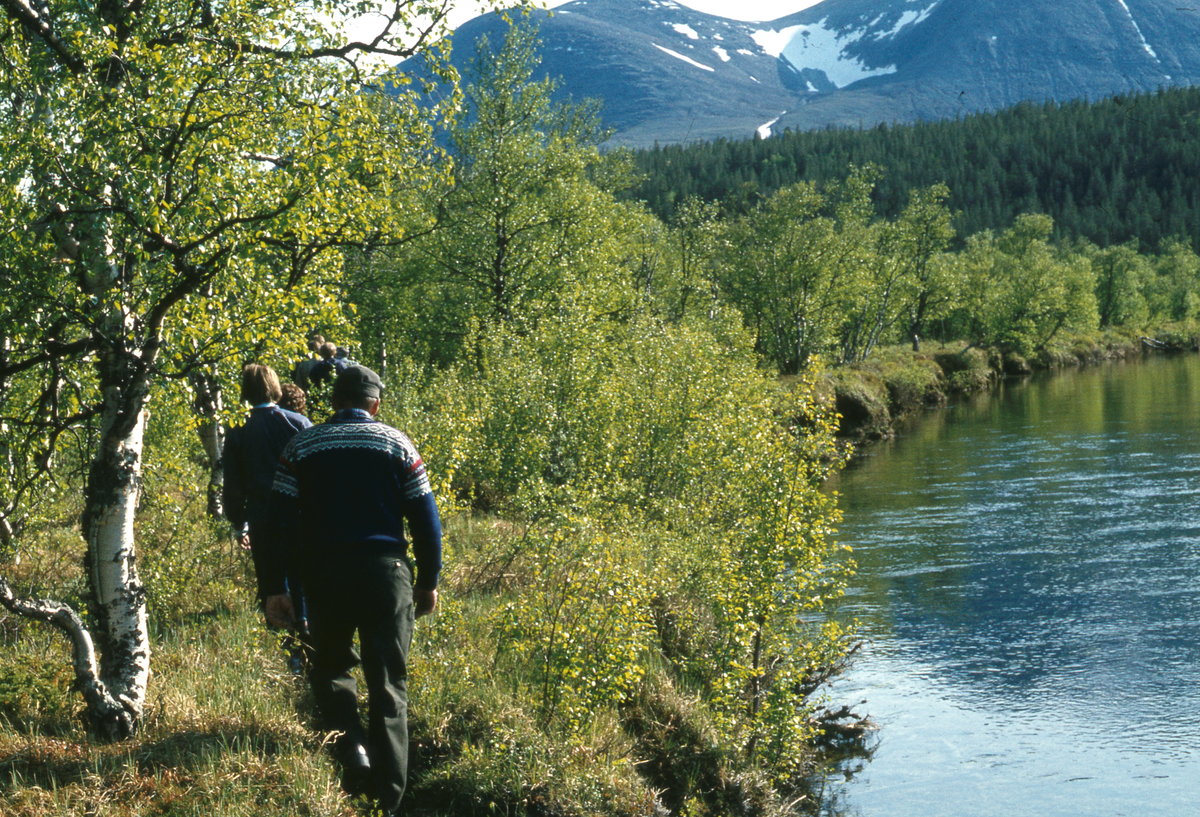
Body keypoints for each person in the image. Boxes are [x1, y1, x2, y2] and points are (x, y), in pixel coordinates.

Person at [262, 365, 442, 817]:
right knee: (388, 682)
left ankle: (353, 753)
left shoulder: (301, 445)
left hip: (324, 574)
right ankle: (389, 797)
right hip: (386, 574)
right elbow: (425, 520)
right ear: (375, 404)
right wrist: (428, 580)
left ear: (335, 402)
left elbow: (276, 525)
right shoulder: (396, 443)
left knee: (332, 668)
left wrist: (275, 587)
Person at [223, 364, 313, 633]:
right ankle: (305, 631)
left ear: (245, 390)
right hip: (300, 512)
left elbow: (234, 484)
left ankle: (281, 639)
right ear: (274, 387)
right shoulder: (298, 423)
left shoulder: (238, 428)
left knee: (270, 578)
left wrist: (240, 523)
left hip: (263, 514)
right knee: (302, 575)